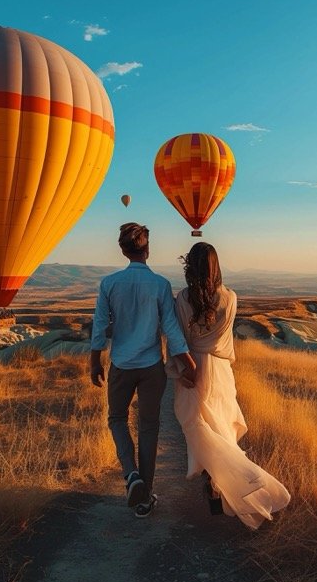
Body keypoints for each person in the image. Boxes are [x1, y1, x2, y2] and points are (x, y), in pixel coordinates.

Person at [168, 242, 290, 530]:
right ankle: (225, 485)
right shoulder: (231, 298)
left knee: (201, 429)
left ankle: (226, 480)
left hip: (193, 368)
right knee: (221, 430)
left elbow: (179, 338)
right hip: (220, 371)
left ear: (190, 267)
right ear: (217, 266)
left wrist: (179, 368)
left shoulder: (182, 299)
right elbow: (224, 339)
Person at [91, 223, 197, 518]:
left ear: (123, 250)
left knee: (116, 418)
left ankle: (131, 475)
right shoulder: (161, 285)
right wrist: (188, 361)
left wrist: (94, 360)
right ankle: (144, 497)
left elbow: (100, 324)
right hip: (152, 367)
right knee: (149, 428)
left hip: (121, 365)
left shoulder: (109, 284)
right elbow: (171, 328)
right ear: (147, 250)